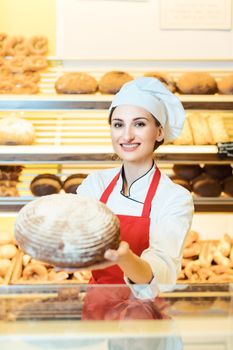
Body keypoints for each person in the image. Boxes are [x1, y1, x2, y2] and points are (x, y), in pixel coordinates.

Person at [77, 77, 194, 298]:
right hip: (97, 314)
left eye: (139, 124)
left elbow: (163, 272)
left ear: (159, 132)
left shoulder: (174, 198)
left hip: (145, 317)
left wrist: (125, 258)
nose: (127, 135)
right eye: (118, 124)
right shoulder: (95, 185)